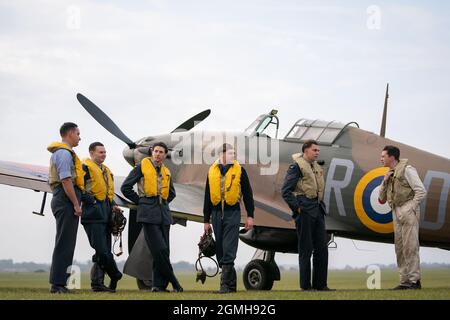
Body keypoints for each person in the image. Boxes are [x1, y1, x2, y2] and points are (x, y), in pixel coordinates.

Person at [121, 142, 183, 292]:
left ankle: (158, 285)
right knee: (159, 249)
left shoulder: (166, 171)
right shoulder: (141, 167)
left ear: (165, 155)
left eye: (161, 152)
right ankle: (175, 282)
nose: (158, 154)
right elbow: (125, 187)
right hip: (148, 214)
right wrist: (141, 202)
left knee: (164, 251)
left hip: (164, 214)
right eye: (155, 151)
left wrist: (162, 203)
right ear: (152, 152)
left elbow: (172, 193)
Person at [281, 139, 333, 291]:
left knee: (322, 248)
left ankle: (321, 285)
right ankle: (305, 286)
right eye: (314, 150)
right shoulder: (296, 167)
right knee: (306, 249)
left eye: (318, 150)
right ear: (306, 151)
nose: (317, 152)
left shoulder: (315, 166)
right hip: (304, 210)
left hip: (317, 209)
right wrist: (298, 208)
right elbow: (286, 191)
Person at [203, 143, 255, 293]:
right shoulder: (211, 171)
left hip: (233, 213)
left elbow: (248, 194)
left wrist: (250, 216)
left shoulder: (240, 170)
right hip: (216, 214)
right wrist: (206, 221)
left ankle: (224, 286)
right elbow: (207, 196)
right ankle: (231, 286)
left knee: (229, 248)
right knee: (220, 249)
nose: (234, 156)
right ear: (222, 154)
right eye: (231, 153)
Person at [378, 145, 427, 290]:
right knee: (399, 247)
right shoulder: (390, 173)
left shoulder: (407, 169)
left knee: (410, 246)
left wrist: (411, 207)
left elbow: (421, 191)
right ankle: (404, 281)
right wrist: (385, 180)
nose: (381, 159)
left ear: (392, 157)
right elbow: (381, 197)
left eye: (383, 156)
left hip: (406, 209)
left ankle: (414, 280)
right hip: (395, 210)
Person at [47, 122, 84, 294]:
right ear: (69, 134)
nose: (79, 137)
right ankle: (57, 284)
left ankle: (61, 282)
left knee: (67, 243)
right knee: (64, 243)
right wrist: (76, 203)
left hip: (64, 197)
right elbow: (66, 180)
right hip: (66, 198)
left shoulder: (64, 152)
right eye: (77, 133)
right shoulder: (63, 153)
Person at [81, 142, 123, 292]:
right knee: (102, 250)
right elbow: (79, 187)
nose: (104, 154)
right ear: (92, 153)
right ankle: (115, 274)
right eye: (100, 152)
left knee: (103, 251)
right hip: (92, 214)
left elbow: (106, 191)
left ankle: (97, 284)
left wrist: (112, 204)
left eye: (105, 152)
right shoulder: (84, 167)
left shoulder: (105, 170)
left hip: (106, 213)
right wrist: (91, 201)